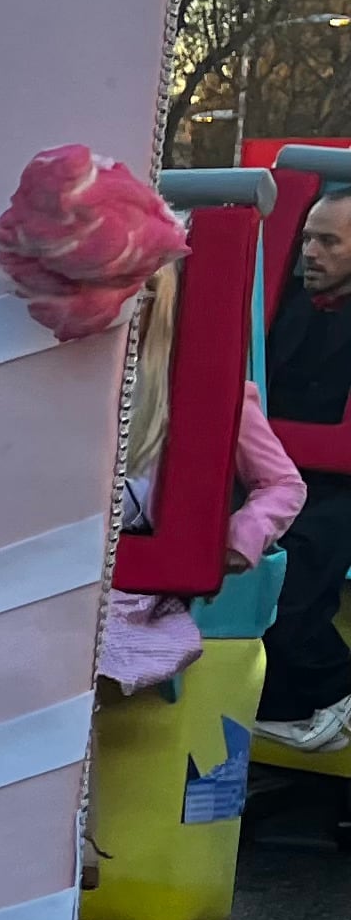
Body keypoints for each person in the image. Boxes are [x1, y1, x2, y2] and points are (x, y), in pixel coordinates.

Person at [105, 266, 303, 692]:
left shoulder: (209, 391)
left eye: (142, 292)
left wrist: (236, 538)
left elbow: (284, 484)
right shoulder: (65, 384)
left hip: (145, 587)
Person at [253, 188, 351, 751]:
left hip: (341, 483)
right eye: (308, 236)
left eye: (328, 241)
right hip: (280, 470)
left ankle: (336, 688)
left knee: (292, 586)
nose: (309, 251)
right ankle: (283, 708)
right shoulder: (280, 304)